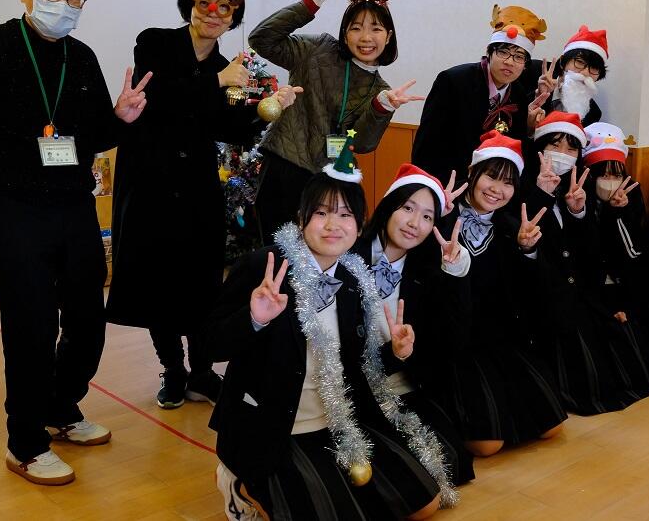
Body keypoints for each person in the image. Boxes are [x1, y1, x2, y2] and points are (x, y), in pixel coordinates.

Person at [0, 0, 150, 484]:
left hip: (74, 207)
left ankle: (62, 408)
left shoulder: (81, 57)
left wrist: (121, 117)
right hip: (12, 210)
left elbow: (92, 136)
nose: (64, 3)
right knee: (31, 328)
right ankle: (26, 442)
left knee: (87, 321)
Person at [205, 149, 445, 520]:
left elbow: (361, 366)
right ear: (302, 218)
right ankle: (238, 482)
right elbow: (210, 344)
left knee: (426, 504)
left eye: (346, 215)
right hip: (275, 425)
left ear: (360, 226)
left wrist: (397, 351)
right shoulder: (265, 267)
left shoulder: (352, 279)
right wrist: (253, 318)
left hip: (339, 420)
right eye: (321, 213)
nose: (334, 225)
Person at [105, 0, 302, 410]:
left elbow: (229, 129)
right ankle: (173, 371)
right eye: (204, 3)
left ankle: (201, 373)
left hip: (197, 188)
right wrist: (217, 82)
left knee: (201, 283)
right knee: (159, 284)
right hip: (151, 187)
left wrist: (269, 108)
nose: (213, 13)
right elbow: (157, 99)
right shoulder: (156, 43)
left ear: (234, 16)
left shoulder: (225, 67)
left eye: (224, 7)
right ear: (190, 5)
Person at [249, 0, 423, 241]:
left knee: (321, 251)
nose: (366, 37)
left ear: (388, 37)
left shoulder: (381, 91)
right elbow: (262, 39)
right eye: (356, 28)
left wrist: (381, 107)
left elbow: (362, 144)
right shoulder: (318, 49)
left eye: (376, 29)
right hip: (284, 164)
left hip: (329, 178)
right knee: (274, 248)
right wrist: (307, 6)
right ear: (345, 33)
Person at [431, 131, 567, 457]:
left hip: (500, 339)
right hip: (455, 342)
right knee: (487, 445)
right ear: (472, 172)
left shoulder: (510, 227)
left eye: (507, 183)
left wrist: (527, 251)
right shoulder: (442, 218)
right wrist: (440, 216)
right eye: (491, 176)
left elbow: (527, 294)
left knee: (552, 426)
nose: (497, 189)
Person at [522, 112, 649, 414]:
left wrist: (577, 212)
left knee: (623, 352)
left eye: (571, 148)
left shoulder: (577, 188)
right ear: (540, 148)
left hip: (578, 287)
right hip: (543, 291)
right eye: (555, 145)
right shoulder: (523, 186)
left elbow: (589, 251)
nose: (562, 154)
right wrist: (541, 194)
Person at [353, 163, 475, 486]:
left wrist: (455, 275)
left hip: (403, 386)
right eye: (407, 208)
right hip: (354, 390)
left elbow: (455, 338)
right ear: (389, 206)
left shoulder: (425, 271)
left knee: (453, 465)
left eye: (427, 217)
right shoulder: (350, 255)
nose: (414, 223)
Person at [581, 123, 649, 382]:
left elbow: (633, 254)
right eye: (603, 174)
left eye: (616, 174)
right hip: (591, 288)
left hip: (625, 282)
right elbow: (585, 257)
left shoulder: (631, 197)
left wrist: (617, 213)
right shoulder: (578, 202)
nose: (610, 182)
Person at [411, 4, 549, 184]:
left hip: (492, 187)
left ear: (525, 65)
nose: (509, 62)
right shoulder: (453, 81)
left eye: (519, 56)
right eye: (503, 52)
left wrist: (529, 128)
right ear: (489, 52)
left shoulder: (518, 93)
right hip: (450, 182)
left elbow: (516, 145)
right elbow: (427, 144)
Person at [538, 25, 607, 127]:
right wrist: (539, 96)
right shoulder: (534, 74)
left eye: (594, 68)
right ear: (562, 62)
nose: (585, 73)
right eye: (580, 62)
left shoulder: (593, 113)